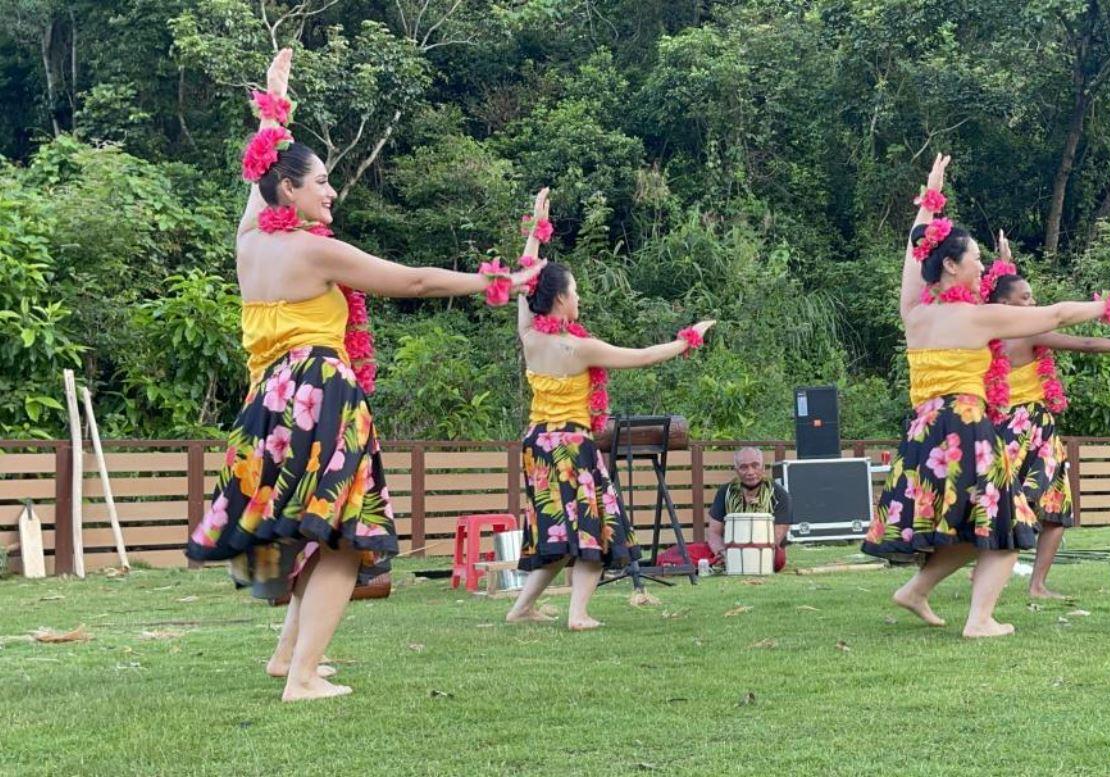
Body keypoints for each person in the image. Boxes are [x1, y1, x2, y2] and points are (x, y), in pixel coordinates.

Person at [184, 49, 541, 702]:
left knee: (319, 532)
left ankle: (289, 657)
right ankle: (301, 678)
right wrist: (500, 281)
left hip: (268, 402)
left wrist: (274, 108)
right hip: (319, 394)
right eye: (320, 181)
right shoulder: (314, 251)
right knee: (346, 539)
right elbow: (414, 281)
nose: (330, 191)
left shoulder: (249, 241)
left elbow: (258, 174)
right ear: (287, 191)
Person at [861, 153, 1110, 638]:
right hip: (965, 426)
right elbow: (1056, 315)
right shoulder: (979, 318)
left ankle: (915, 590)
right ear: (951, 265)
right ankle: (979, 620)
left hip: (925, 431)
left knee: (971, 523)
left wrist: (931, 200)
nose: (982, 265)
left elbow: (913, 255)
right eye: (975, 258)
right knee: (1005, 523)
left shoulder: (914, 311)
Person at [503, 204, 715, 631]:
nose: (579, 297)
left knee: (559, 531)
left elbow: (526, 276)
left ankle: (521, 608)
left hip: (537, 445)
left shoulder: (530, 337)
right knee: (596, 529)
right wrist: (689, 338)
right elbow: (644, 356)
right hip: (570, 445)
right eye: (575, 291)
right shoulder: (580, 349)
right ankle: (578, 614)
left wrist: (537, 232)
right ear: (560, 298)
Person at [986, 271, 1110, 598]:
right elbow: (1087, 344)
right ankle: (1035, 585)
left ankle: (990, 575)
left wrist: (1004, 262)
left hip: (997, 428)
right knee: (1052, 507)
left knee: (998, 504)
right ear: (1005, 303)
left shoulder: (984, 333)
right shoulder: (1030, 333)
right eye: (1026, 298)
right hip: (1031, 427)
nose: (1034, 302)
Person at [706, 447, 793, 572]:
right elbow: (714, 533)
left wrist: (746, 555)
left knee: (778, 559)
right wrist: (721, 553)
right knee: (690, 552)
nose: (750, 472)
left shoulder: (780, 495)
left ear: (763, 467)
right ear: (736, 470)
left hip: (764, 551)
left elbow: (775, 539)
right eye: (744, 467)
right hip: (729, 549)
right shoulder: (725, 492)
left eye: (755, 466)